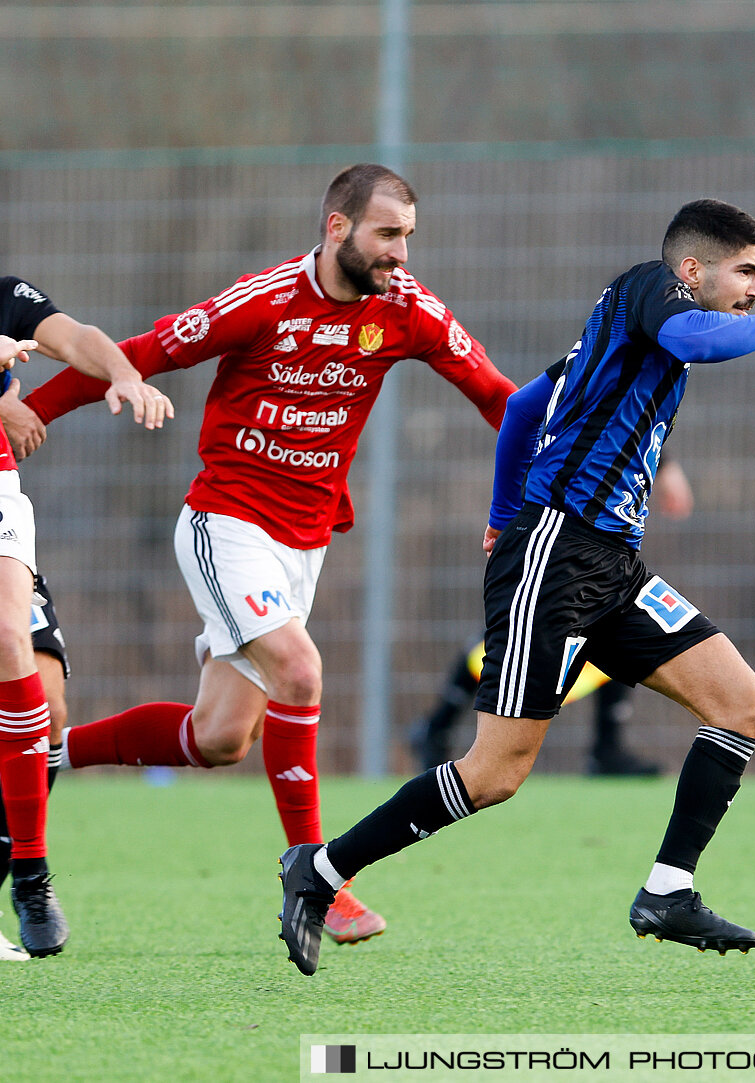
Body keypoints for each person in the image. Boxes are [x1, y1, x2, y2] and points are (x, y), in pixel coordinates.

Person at [275, 198, 755, 976]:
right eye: (746, 272)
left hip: (611, 565)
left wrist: (502, 508)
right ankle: (321, 870)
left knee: (741, 704)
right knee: (495, 772)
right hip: (557, 551)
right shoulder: (653, 293)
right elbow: (702, 341)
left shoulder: (630, 331)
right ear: (691, 270)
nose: (754, 289)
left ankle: (668, 891)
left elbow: (522, 408)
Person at [21, 165, 518, 951]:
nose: (401, 255)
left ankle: (41, 750)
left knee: (219, 736)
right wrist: (21, 412)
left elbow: (500, 398)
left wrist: (541, 485)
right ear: (336, 228)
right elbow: (139, 355)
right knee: (302, 671)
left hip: (304, 542)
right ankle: (320, 877)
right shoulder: (261, 301)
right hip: (227, 525)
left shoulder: (410, 312)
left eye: (409, 238)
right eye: (387, 235)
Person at [0, 275, 171, 956]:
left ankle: (30, 873)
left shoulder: (7, 291)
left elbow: (79, 339)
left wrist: (124, 375)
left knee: (39, 687)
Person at [409, 462, 695, 775]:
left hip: (587, 508)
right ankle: (438, 729)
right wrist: (502, 513)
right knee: (525, 623)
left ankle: (607, 747)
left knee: (607, 612)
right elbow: (526, 415)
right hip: (554, 506)